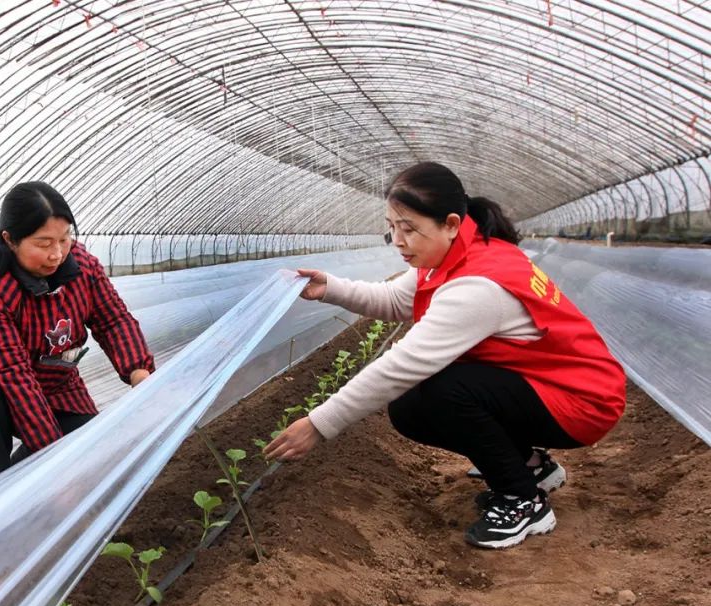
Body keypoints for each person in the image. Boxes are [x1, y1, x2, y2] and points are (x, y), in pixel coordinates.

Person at [264, 161, 626, 549]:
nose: (398, 240)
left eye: (409, 229)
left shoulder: (478, 285)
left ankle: (523, 501)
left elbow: (402, 364)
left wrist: (319, 423)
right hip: (551, 385)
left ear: (451, 223)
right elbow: (394, 299)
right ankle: (531, 466)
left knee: (441, 393)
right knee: (413, 405)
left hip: (582, 403)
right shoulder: (457, 252)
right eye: (392, 227)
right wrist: (329, 288)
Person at [0, 182, 155, 491]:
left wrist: (139, 370)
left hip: (50, 377)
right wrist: (58, 474)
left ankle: (24, 488)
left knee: (88, 451)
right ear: (10, 240)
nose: (57, 254)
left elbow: (113, 320)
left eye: (65, 238)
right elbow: (13, 377)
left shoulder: (82, 267)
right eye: (43, 243)